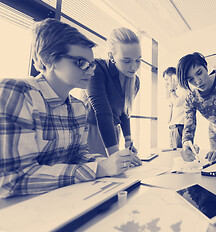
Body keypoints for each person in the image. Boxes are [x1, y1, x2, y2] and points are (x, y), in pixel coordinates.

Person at [0, 18, 133, 198]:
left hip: (63, 201)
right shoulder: (17, 92)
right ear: (48, 59)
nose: (91, 71)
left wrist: (109, 161)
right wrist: (99, 168)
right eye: (81, 62)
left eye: (92, 64)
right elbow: (12, 179)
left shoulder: (78, 108)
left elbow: (78, 157)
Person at [85, 27, 141, 166]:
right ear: (111, 56)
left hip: (112, 131)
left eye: (138, 60)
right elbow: (102, 112)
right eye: (127, 61)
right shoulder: (96, 68)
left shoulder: (135, 80)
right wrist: (115, 155)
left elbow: (125, 112)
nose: (134, 67)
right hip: (93, 129)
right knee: (99, 175)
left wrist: (128, 140)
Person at [163, 67, 186, 149]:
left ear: (174, 77)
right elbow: (169, 102)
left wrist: (172, 90)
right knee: (173, 153)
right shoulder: (175, 91)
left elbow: (177, 103)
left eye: (167, 79)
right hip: (174, 128)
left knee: (178, 154)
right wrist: (169, 89)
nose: (166, 82)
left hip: (179, 127)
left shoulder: (183, 89)